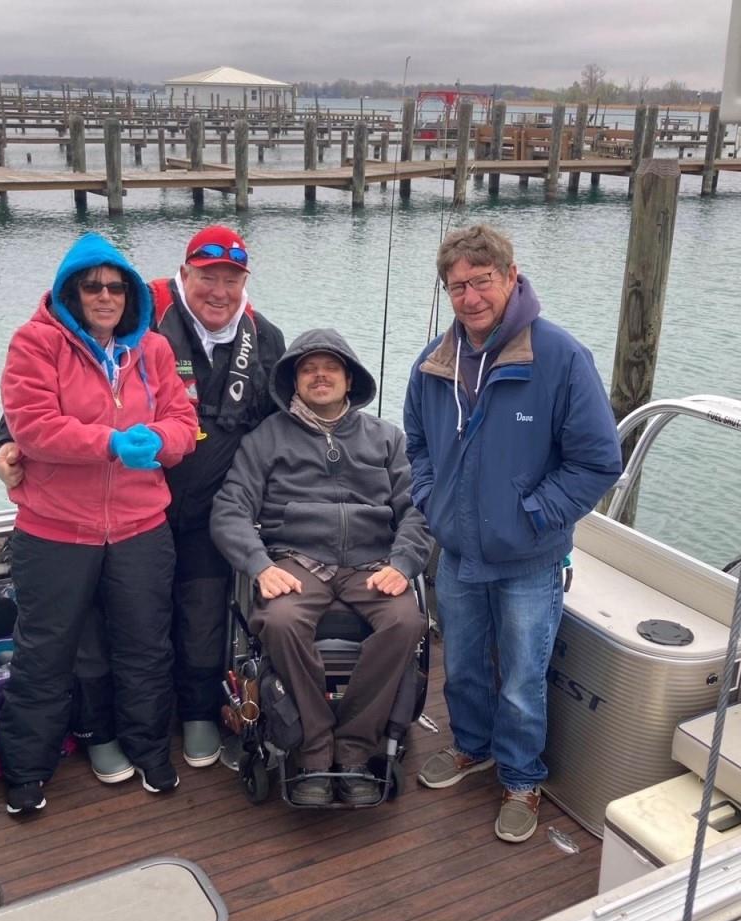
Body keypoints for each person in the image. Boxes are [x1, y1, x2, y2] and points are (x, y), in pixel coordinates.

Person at [0, 225, 285, 777]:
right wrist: (4, 446)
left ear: (244, 281)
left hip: (209, 513)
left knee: (199, 616)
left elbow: (282, 428)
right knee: (102, 629)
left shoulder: (266, 339)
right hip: (122, 511)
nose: (217, 291)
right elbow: (30, 407)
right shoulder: (135, 308)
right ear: (185, 273)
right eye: (206, 277)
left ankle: (198, 711)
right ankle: (97, 727)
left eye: (231, 278)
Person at [404, 223, 622, 843]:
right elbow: (416, 444)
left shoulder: (559, 357)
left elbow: (599, 461)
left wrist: (533, 515)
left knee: (525, 678)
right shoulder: (433, 362)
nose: (470, 297)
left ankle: (523, 778)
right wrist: (432, 498)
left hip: (530, 559)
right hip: (456, 553)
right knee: (465, 666)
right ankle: (472, 747)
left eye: (482, 281)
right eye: (457, 286)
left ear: (511, 277)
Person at [0, 232, 198, 814]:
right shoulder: (35, 344)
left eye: (116, 286)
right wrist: (112, 443)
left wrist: (159, 439)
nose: (105, 295)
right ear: (71, 291)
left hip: (140, 527)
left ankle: (151, 750)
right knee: (44, 653)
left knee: (146, 647)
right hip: (53, 529)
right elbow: (32, 427)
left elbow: (185, 423)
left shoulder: (155, 351)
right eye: (92, 285)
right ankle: (26, 771)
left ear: (132, 294)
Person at [210, 329, 432, 806]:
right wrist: (259, 564)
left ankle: (354, 750)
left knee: (406, 621)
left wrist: (403, 562)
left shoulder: (387, 438)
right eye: (308, 369)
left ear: (349, 379)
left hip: (373, 564)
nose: (320, 376)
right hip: (296, 561)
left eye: (330, 367)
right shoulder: (265, 439)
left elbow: (419, 509)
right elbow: (229, 509)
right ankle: (313, 752)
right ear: (293, 381)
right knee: (280, 620)